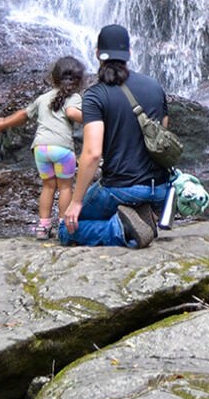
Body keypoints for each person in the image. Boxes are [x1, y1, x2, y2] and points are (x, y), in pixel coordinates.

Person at [60, 23, 171, 248]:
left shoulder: (96, 95)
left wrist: (76, 202)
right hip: (160, 189)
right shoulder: (155, 87)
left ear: (97, 54)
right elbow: (163, 135)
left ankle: (121, 229)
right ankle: (140, 217)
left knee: (66, 228)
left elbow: (92, 154)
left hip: (121, 188)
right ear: (129, 53)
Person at [0, 55, 86, 240]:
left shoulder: (42, 98)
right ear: (79, 80)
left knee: (48, 187)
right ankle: (62, 226)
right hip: (63, 150)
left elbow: (23, 115)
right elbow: (72, 113)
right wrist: (92, 118)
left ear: (54, 77)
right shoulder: (74, 98)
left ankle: (43, 226)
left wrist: (2, 124)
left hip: (41, 149)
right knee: (65, 188)